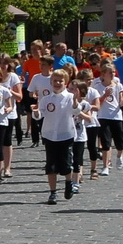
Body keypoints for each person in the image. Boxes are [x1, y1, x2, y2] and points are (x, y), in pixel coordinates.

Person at [37, 71, 76, 204]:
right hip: (49, 135)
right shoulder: (46, 99)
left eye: (60, 81)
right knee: (51, 165)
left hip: (65, 134)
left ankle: (68, 182)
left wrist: (76, 102)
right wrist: (36, 112)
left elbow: (76, 112)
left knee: (66, 164)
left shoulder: (70, 97)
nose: (57, 83)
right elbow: (40, 115)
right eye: (55, 81)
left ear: (66, 83)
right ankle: (53, 192)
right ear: (51, 82)